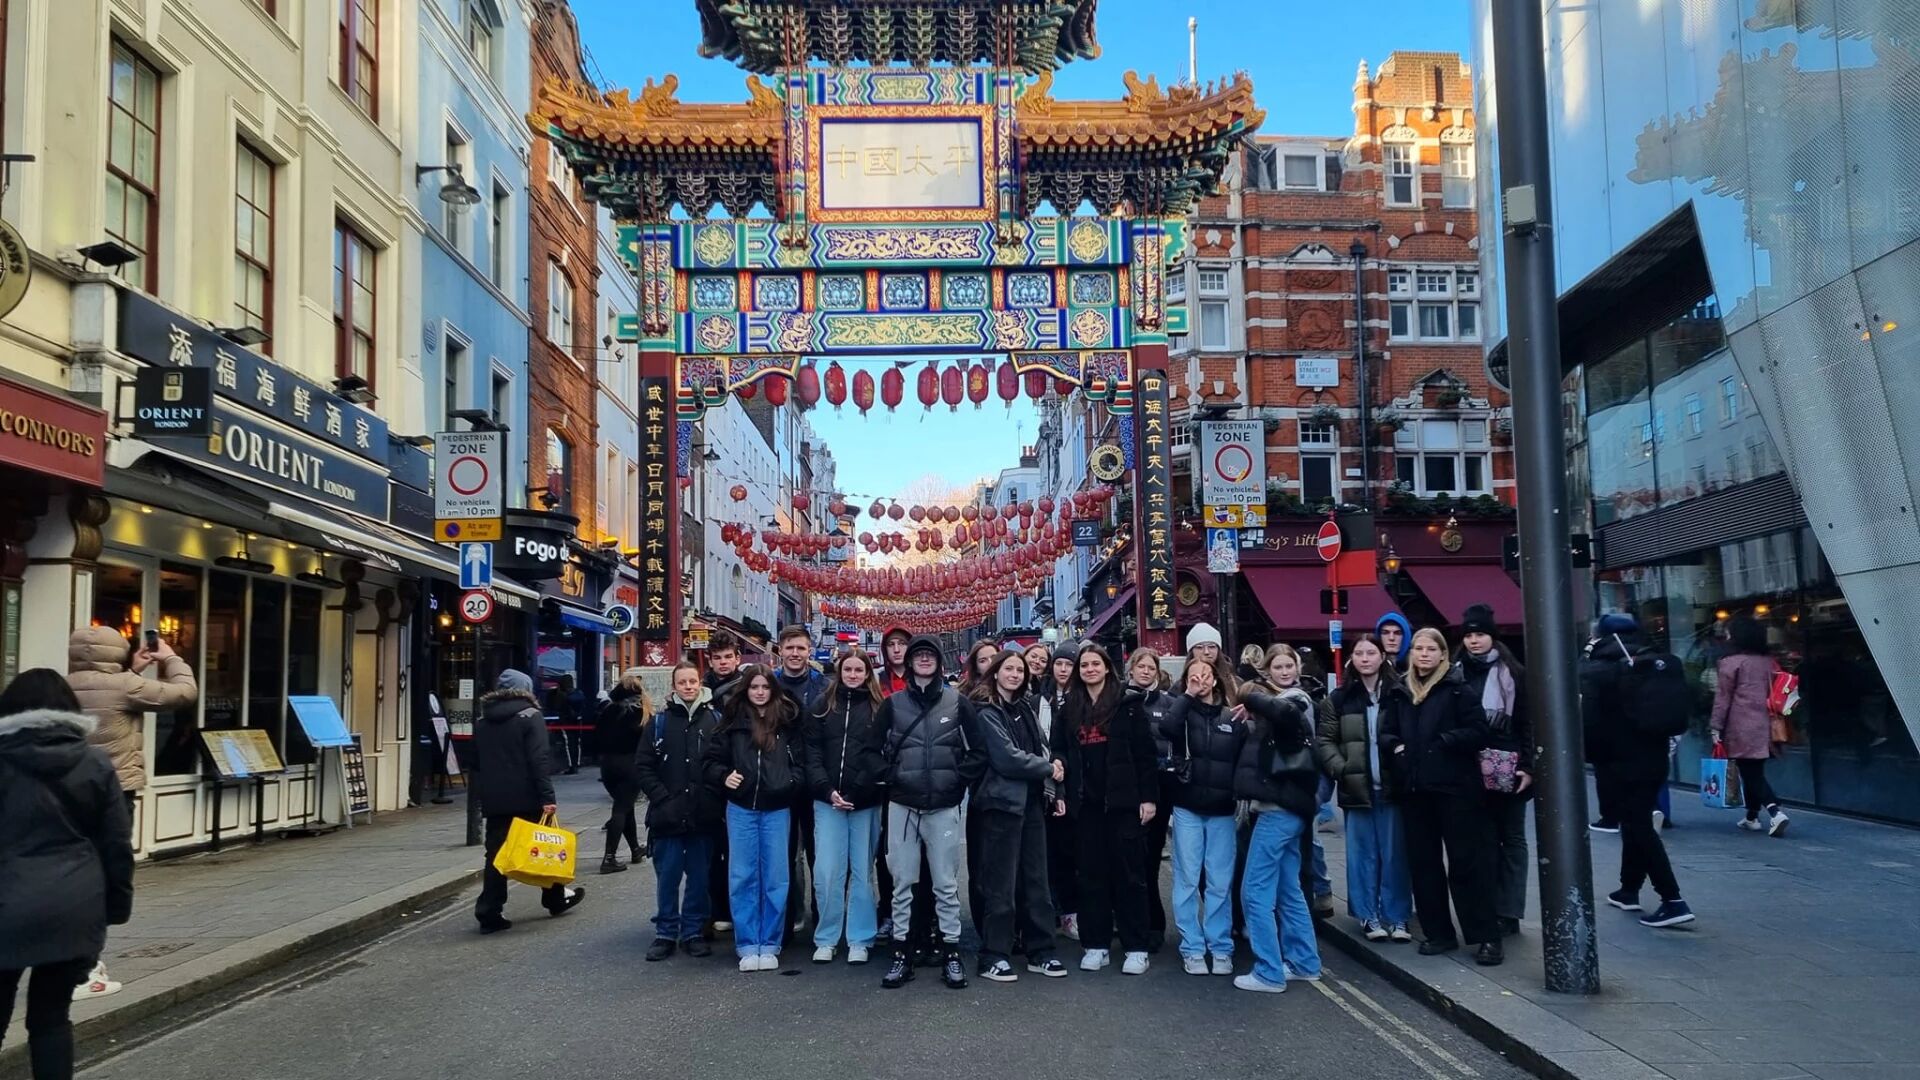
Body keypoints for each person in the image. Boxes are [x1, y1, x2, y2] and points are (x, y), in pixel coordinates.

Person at [0, 669, 133, 1080]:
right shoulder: (95, 763)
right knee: (51, 1017)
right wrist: (115, 909)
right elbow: (116, 844)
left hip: (6, 904)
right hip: (74, 907)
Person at [64, 626, 195, 999]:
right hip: (113, 793)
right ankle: (85, 969)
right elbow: (185, 693)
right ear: (117, 651)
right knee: (106, 877)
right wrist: (170, 658)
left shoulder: (62, 686)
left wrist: (132, 670)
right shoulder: (125, 686)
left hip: (67, 795)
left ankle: (71, 961)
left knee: (74, 875)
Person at [1384, 629, 1501, 965]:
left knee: (1467, 864)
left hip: (1455, 788)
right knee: (1424, 865)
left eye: (1430, 649)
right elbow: (1386, 731)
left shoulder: (1458, 688)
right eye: (1418, 648)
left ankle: (1486, 936)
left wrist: (1445, 742)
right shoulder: (1400, 690)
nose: (1424, 654)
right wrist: (1397, 748)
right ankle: (1439, 934)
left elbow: (1479, 732)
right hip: (1415, 789)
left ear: (1442, 654)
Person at [877, 637, 985, 990]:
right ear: (909, 663)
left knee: (945, 884)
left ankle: (951, 952)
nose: (924, 660)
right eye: (918, 655)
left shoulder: (958, 703)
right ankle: (902, 954)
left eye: (930, 655)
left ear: (939, 662)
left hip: (943, 806)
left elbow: (978, 751)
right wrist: (891, 779)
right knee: (903, 882)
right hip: (903, 806)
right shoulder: (892, 704)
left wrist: (956, 783)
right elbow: (870, 751)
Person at [1582, 614, 1696, 928]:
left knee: (1639, 826)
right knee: (1636, 821)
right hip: (1655, 758)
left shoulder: (1600, 669)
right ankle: (1628, 889)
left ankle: (1672, 899)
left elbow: (1589, 719)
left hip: (1619, 760)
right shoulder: (1655, 661)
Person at [1056, 642, 1159, 975]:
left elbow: (1145, 755)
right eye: (1084, 665)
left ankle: (1136, 947)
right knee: (1091, 876)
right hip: (1086, 806)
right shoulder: (1069, 707)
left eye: (1095, 664)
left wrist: (1148, 798)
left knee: (1130, 876)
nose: (1089, 669)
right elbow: (1059, 748)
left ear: (1106, 668)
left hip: (1123, 804)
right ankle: (1096, 944)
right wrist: (1059, 777)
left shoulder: (1127, 704)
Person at [970, 649, 1068, 981]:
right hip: (1001, 804)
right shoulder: (986, 711)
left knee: (1036, 880)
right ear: (995, 673)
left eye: (1020, 670)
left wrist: (1052, 775)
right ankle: (994, 954)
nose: (1015, 674)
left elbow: (1043, 745)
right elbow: (1006, 758)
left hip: (1032, 801)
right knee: (1001, 883)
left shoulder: (1025, 707)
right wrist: (1047, 768)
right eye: (1009, 669)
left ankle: (1041, 950)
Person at [705, 666, 804, 972]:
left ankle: (770, 942)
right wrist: (723, 775)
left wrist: (790, 783)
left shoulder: (787, 721)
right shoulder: (731, 721)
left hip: (777, 808)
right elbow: (710, 761)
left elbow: (801, 762)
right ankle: (748, 943)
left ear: (773, 689)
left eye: (765, 687)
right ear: (746, 690)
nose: (760, 692)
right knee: (743, 877)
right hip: (741, 808)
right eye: (754, 687)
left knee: (776, 878)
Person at [471, 669, 585, 934]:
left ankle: (489, 911)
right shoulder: (531, 716)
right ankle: (555, 898)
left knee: (496, 854)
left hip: (495, 798)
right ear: (526, 689)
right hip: (527, 794)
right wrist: (547, 797)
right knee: (546, 845)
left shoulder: (483, 721)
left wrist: (484, 794)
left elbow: (474, 762)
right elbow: (539, 759)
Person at [1230, 682, 1325, 993]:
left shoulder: (1291, 709)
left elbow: (1282, 709)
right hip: (1291, 813)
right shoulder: (1283, 726)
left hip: (1277, 814)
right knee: (1288, 890)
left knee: (1254, 891)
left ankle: (1269, 972)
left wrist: (1248, 697)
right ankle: (1304, 963)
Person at [1321, 635, 1413, 943]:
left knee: (1395, 855)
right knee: (1362, 856)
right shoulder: (1340, 698)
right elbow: (1326, 740)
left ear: (1382, 656)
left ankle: (1397, 916)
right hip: (1356, 788)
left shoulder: (1399, 693)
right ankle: (1367, 914)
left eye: (1370, 652)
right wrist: (1342, 769)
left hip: (1392, 787)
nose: (1364, 658)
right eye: (1359, 653)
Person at [1163, 655, 1246, 976]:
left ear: (1216, 680)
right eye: (1193, 675)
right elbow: (1167, 727)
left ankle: (1220, 946)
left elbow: (1244, 756)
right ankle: (1192, 947)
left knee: (1219, 882)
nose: (1200, 679)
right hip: (1187, 806)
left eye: (1205, 674)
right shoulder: (1183, 713)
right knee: (1186, 879)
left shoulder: (1231, 716)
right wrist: (1187, 696)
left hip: (1222, 810)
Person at [804, 650, 888, 965]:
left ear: (867, 674)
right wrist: (827, 790)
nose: (853, 675)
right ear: (839, 672)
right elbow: (811, 752)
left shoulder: (879, 708)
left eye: (858, 670)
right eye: (848, 670)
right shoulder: (822, 706)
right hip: (828, 801)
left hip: (865, 802)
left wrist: (859, 790)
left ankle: (860, 937)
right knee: (827, 871)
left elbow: (881, 754)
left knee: (862, 872)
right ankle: (826, 937)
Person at [1454, 605, 1534, 937]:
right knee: (1481, 840)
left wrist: (1528, 766)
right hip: (1467, 767)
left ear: (1492, 636)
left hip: (1508, 766)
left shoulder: (1513, 673)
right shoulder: (1455, 671)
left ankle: (1509, 910)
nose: (1474, 641)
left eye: (1480, 634)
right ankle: (1487, 906)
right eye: (1469, 635)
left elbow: (1528, 722)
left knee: (1512, 838)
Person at [633, 662, 721, 960]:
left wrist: (711, 797)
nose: (688, 686)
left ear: (700, 684)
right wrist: (661, 797)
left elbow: (722, 763)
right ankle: (666, 932)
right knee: (667, 878)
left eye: (692, 681)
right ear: (674, 687)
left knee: (699, 879)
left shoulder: (715, 721)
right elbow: (643, 766)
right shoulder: (658, 722)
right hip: (667, 816)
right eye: (682, 682)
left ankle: (693, 931)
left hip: (702, 815)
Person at [1262, 645, 1337, 921]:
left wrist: (1320, 791)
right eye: (1278, 667)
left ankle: (1318, 894)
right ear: (1268, 670)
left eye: (1289, 666)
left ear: (1298, 668)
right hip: (1273, 788)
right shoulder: (1261, 697)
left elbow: (1322, 744)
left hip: (1305, 784)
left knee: (1308, 846)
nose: (1284, 672)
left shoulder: (1308, 700)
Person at [1713, 616, 1789, 837]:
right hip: (1768, 724)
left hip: (1741, 725)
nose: (1726, 636)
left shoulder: (1730, 663)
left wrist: (1715, 727)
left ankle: (1775, 811)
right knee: (1755, 770)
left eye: (1729, 632)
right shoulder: (1768, 662)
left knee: (1750, 772)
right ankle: (1752, 817)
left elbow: (1723, 698)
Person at [772, 626, 825, 942]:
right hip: (782, 779)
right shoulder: (769, 684)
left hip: (816, 780)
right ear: (780, 650)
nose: (795, 653)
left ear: (809, 651)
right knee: (786, 853)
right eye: (790, 647)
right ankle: (790, 915)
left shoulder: (823, 685)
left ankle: (822, 915)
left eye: (801, 648)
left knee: (820, 854)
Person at [1127, 647, 1176, 953]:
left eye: (1151, 667)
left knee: (1150, 861)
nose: (1146, 671)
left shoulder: (1168, 703)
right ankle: (1130, 921)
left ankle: (1154, 924)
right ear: (1131, 669)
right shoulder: (1120, 701)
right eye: (1141, 666)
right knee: (1129, 861)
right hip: (1127, 790)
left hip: (1159, 791)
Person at [593, 671, 651, 873]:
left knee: (626, 807)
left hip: (608, 766)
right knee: (621, 809)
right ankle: (609, 857)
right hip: (630, 765)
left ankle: (635, 849)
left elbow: (596, 739)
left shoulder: (608, 710)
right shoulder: (641, 711)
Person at [1045, 639, 1081, 942]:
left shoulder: (1082, 699)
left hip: (1077, 785)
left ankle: (1072, 911)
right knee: (1050, 854)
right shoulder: (1040, 698)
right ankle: (1054, 910)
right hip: (1046, 784)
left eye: (1069, 664)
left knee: (1074, 853)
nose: (1063, 669)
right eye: (1059, 663)